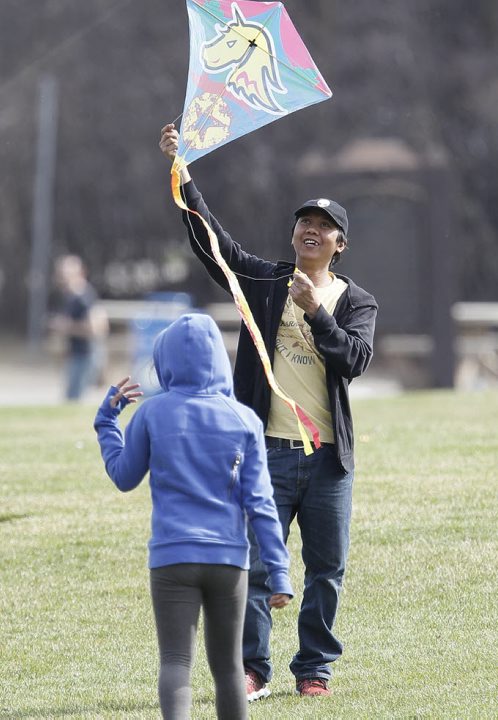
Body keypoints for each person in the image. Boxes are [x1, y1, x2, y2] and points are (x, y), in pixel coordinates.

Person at [159, 123, 378, 700]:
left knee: (326, 571)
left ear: (340, 245)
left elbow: (355, 360)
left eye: (325, 227)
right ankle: (253, 668)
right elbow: (215, 245)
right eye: (305, 222)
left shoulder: (356, 301)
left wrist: (317, 313)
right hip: (265, 453)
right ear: (294, 235)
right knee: (255, 567)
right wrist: (183, 173)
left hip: (328, 459)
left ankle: (314, 671)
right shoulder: (266, 281)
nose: (312, 230)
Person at [93, 313, 293, 720]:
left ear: (165, 361)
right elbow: (261, 503)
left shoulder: (152, 413)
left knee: (175, 663)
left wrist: (106, 423)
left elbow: (124, 476)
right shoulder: (244, 418)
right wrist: (279, 572)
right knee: (227, 669)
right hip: (228, 561)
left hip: (172, 557)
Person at [51, 254, 108, 400]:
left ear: (80, 273)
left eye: (67, 274)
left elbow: (97, 328)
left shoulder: (85, 296)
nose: (63, 278)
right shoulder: (70, 297)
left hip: (86, 355)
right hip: (76, 354)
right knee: (70, 398)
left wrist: (67, 326)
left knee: (75, 400)